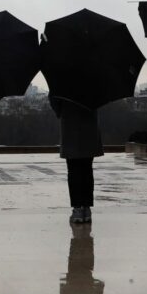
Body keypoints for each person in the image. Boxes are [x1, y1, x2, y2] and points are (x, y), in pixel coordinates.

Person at [49, 96, 102, 224]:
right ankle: (87, 208)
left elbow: (54, 100)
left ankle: (77, 208)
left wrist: (62, 112)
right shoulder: (93, 78)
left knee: (73, 171)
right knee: (87, 170)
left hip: (70, 124)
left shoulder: (61, 78)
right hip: (89, 125)